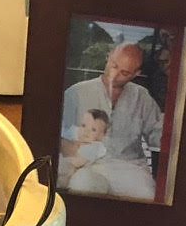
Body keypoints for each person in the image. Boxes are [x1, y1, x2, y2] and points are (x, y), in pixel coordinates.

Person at [58, 41, 162, 200]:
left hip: (130, 168)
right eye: (114, 66)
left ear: (135, 74)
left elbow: (158, 135)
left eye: (124, 72)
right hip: (89, 166)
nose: (115, 74)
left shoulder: (142, 97)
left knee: (149, 196)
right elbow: (57, 133)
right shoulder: (76, 92)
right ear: (108, 58)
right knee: (82, 185)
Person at [58, 108, 110, 183]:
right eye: (83, 125)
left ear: (100, 136)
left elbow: (78, 162)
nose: (86, 131)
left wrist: (66, 158)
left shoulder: (95, 147)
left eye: (93, 129)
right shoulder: (76, 133)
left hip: (72, 168)